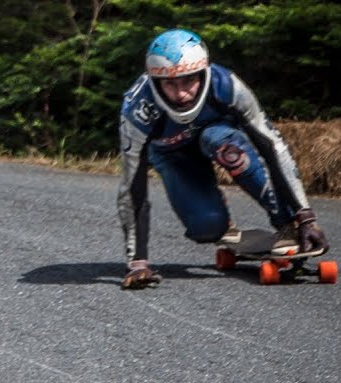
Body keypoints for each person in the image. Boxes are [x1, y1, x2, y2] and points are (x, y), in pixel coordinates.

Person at [116, 28, 330, 289]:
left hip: (218, 136)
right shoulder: (138, 110)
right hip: (172, 154)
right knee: (205, 228)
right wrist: (137, 262)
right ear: (155, 81)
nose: (181, 94)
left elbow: (273, 147)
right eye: (170, 84)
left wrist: (305, 217)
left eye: (188, 81)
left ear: (203, 73)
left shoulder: (227, 86)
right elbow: (132, 187)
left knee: (225, 146)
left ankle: (286, 223)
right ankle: (221, 221)